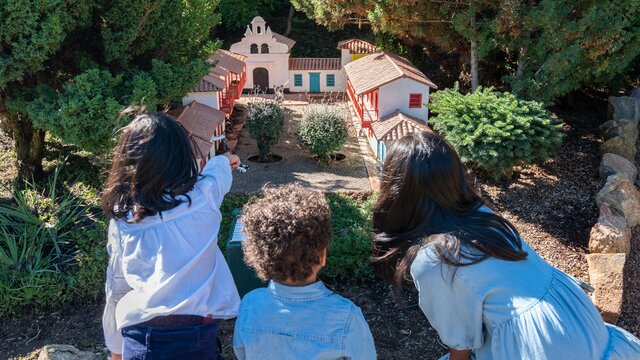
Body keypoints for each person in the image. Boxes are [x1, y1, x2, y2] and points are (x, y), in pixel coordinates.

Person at [371, 131, 640, 360]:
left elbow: (460, 345)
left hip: (542, 346)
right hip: (579, 320)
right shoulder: (483, 217)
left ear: (398, 191)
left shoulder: (435, 259)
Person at [101, 113, 241, 360]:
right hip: (195, 338)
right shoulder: (203, 199)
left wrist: (115, 350)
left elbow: (117, 286)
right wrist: (227, 158)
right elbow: (217, 173)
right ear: (182, 158)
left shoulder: (124, 220)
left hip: (139, 340)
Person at [233, 184, 376, 359]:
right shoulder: (346, 317)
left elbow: (241, 352)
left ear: (260, 259)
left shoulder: (250, 305)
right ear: (322, 256)